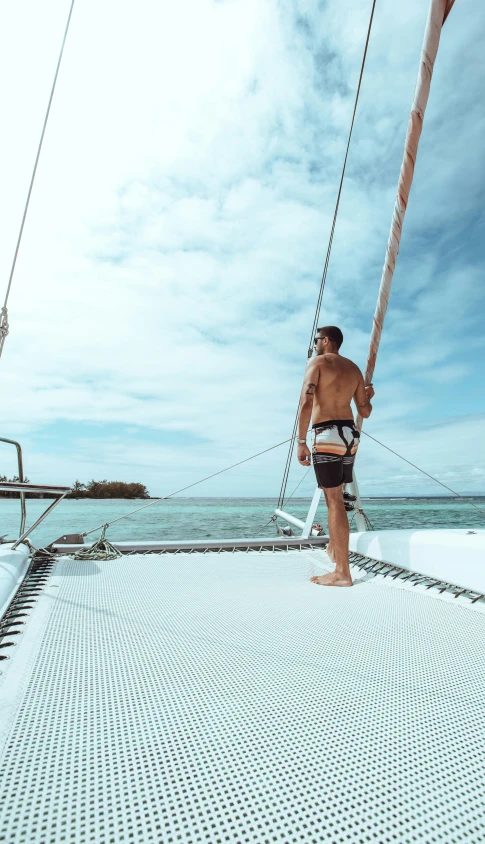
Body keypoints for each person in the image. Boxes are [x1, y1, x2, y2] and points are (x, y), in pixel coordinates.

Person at [296, 326, 374, 587]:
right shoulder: (353, 369)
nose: (315, 344)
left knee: (334, 502)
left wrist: (301, 441)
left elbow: (306, 402)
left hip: (327, 434)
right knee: (337, 497)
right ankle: (333, 548)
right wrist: (367, 397)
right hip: (350, 436)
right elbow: (365, 411)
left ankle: (342, 572)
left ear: (326, 341)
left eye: (316, 340)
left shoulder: (316, 363)